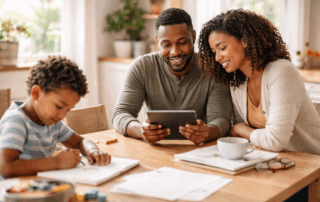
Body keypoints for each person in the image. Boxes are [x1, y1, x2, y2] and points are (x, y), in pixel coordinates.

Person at [198, 9, 320, 155]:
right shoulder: (238, 82)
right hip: (270, 160)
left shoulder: (282, 72)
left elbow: (274, 140)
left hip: (309, 163)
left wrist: (242, 130)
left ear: (245, 41)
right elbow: (240, 135)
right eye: (214, 51)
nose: (217, 58)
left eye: (222, 48)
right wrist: (240, 131)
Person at [112, 8, 232, 144]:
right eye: (166, 45)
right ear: (158, 41)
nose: (175, 52)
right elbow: (120, 114)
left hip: (199, 151)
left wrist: (207, 132)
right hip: (156, 150)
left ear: (193, 37)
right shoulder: (142, 67)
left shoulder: (213, 68)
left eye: (182, 42)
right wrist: (141, 130)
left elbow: (222, 120)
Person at [0, 56, 111, 179]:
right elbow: (6, 168)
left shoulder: (51, 122)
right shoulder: (16, 121)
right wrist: (56, 162)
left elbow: (80, 142)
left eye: (68, 110)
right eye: (59, 106)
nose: (63, 115)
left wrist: (93, 151)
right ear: (36, 94)